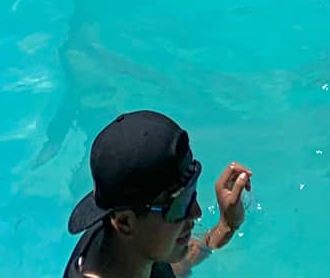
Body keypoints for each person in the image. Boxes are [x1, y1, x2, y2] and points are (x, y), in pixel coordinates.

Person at [63, 110, 251, 278]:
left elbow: (182, 260)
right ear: (124, 222)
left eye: (191, 192)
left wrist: (227, 225)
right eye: (179, 204)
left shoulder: (129, 247)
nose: (196, 212)